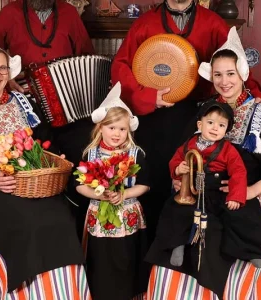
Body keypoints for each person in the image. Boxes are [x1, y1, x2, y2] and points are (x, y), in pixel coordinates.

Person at [145, 26, 261, 300]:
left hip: (245, 195)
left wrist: (250, 191)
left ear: (243, 74)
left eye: (231, 73)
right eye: (218, 75)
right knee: (177, 225)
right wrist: (182, 176)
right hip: (203, 194)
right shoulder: (205, 110)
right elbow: (185, 151)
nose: (225, 81)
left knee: (238, 227)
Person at [111, 0, 261, 243]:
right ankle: (155, 252)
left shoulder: (213, 23)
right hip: (155, 120)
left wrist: (258, 97)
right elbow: (120, 66)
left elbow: (235, 66)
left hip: (200, 118)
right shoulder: (144, 24)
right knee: (156, 184)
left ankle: (188, 244)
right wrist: (148, 96)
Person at [0, 29, 91, 299]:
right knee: (28, 222)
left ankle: (62, 292)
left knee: (60, 217)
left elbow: (45, 140)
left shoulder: (24, 103)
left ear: (9, 72)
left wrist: (55, 160)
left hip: (37, 182)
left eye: (2, 69)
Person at [0, 0, 95, 241]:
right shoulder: (9, 13)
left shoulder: (68, 13)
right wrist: (7, 80)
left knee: (79, 165)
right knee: (33, 169)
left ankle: (78, 238)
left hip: (70, 109)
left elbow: (87, 56)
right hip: (25, 109)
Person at [166, 100, 261, 270]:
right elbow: (175, 161)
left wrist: (235, 196)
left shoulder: (228, 149)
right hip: (194, 188)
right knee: (176, 211)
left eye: (221, 125)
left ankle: (252, 251)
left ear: (226, 129)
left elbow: (239, 172)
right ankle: (178, 245)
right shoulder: (189, 144)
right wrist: (178, 169)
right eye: (210, 123)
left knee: (241, 215)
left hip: (217, 189)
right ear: (200, 124)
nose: (214, 128)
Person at [75, 82, 150, 300]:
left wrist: (124, 194)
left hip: (128, 216)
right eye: (111, 128)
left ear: (129, 130)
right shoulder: (90, 155)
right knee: (100, 259)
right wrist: (99, 194)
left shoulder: (136, 154)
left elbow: (145, 184)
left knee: (125, 258)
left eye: (122, 129)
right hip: (99, 216)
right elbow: (79, 185)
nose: (117, 134)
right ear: (100, 128)